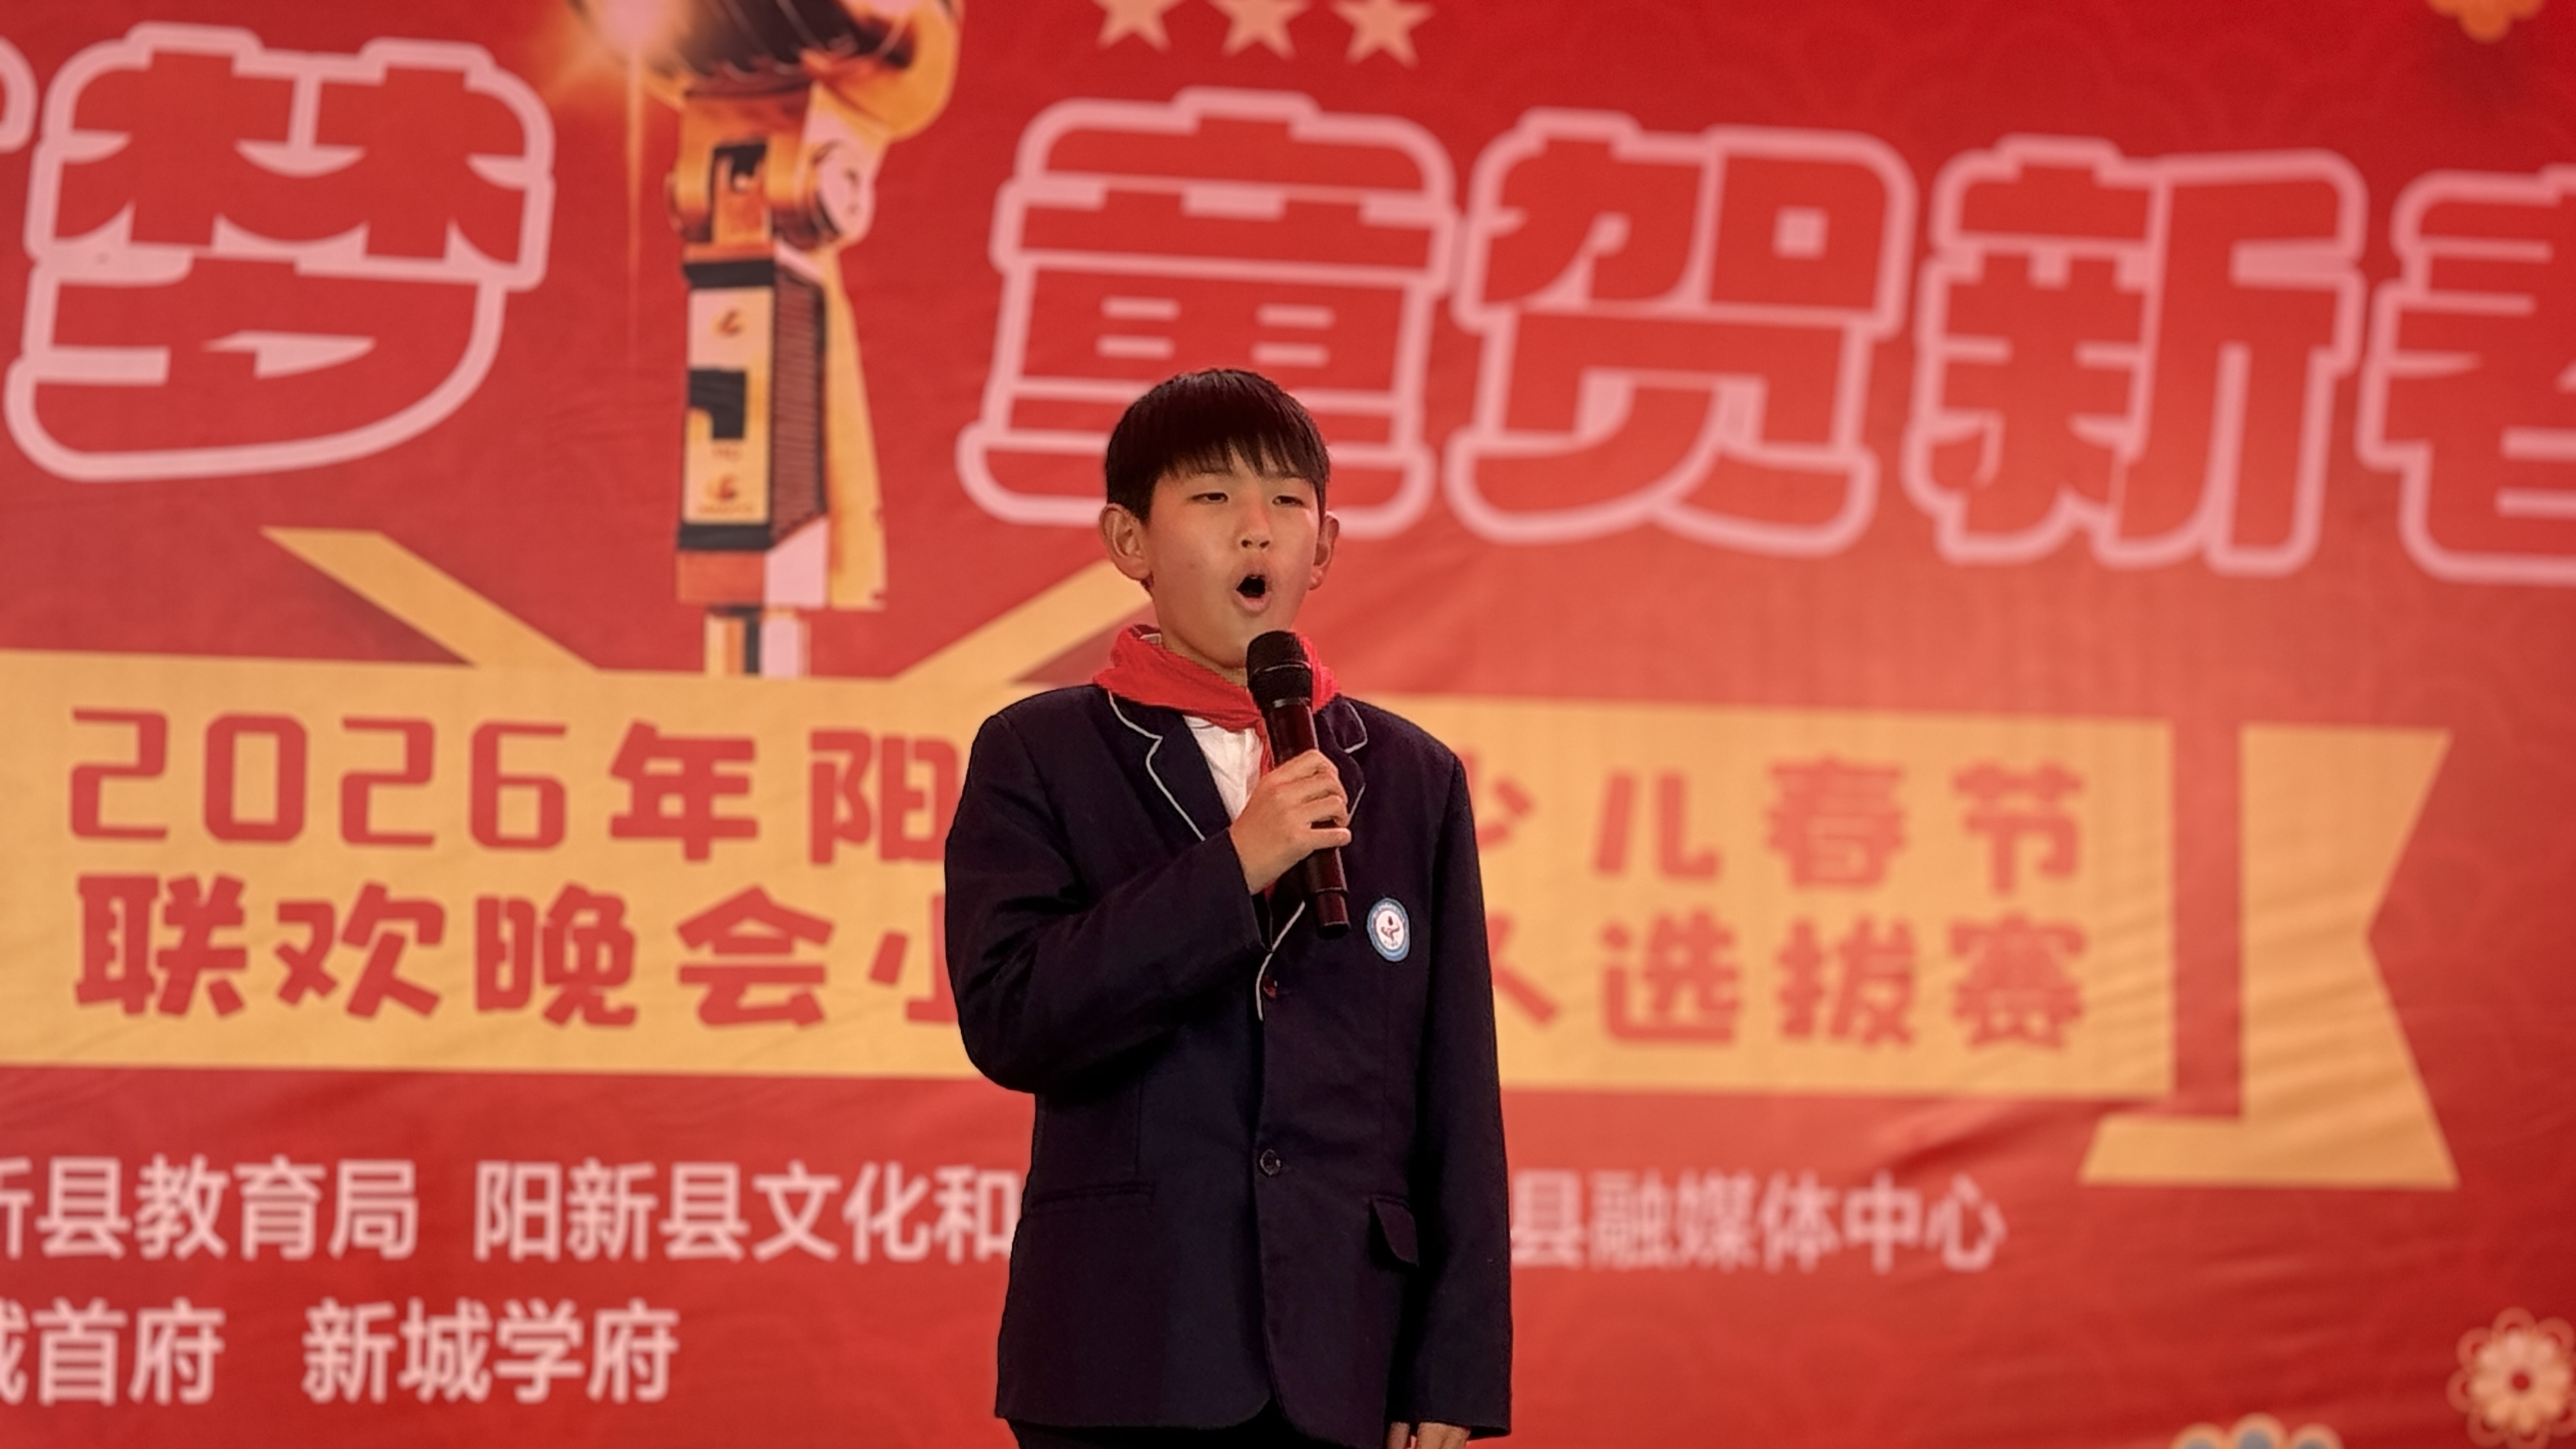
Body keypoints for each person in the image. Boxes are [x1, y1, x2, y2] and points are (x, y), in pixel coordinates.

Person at [944, 369, 1511, 1449]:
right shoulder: (1040, 751)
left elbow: (1455, 1088)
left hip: (1347, 1352)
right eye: (1213, 498)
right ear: (1130, 541)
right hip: (1126, 1345)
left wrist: (1457, 1370)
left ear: (1324, 547)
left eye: (1287, 502)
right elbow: (1012, 1016)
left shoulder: (1409, 775)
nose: (1258, 529)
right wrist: (1235, 866)